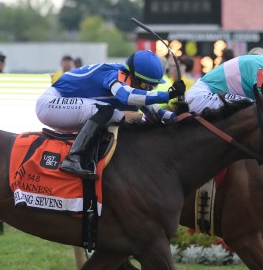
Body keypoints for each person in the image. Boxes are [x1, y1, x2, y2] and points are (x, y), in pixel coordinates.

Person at [36, 50, 186, 178]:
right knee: (107, 111)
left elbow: (153, 110)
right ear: (136, 78)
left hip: (67, 107)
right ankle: (74, 158)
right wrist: (168, 95)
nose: (149, 90)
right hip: (50, 104)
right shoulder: (113, 75)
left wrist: (178, 118)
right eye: (147, 86)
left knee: (116, 115)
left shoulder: (127, 78)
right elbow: (126, 96)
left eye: (152, 87)